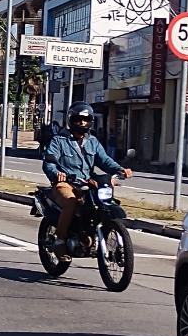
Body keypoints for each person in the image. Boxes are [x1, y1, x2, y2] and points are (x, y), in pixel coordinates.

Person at [41, 101, 133, 262]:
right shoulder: (59, 140)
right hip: (66, 183)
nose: (82, 123)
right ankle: (60, 241)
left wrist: (119, 169)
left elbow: (104, 160)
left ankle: (94, 235)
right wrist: (57, 174)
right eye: (78, 119)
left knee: (105, 203)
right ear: (71, 120)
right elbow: (49, 162)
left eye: (86, 120)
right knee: (71, 201)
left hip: (87, 183)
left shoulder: (93, 142)